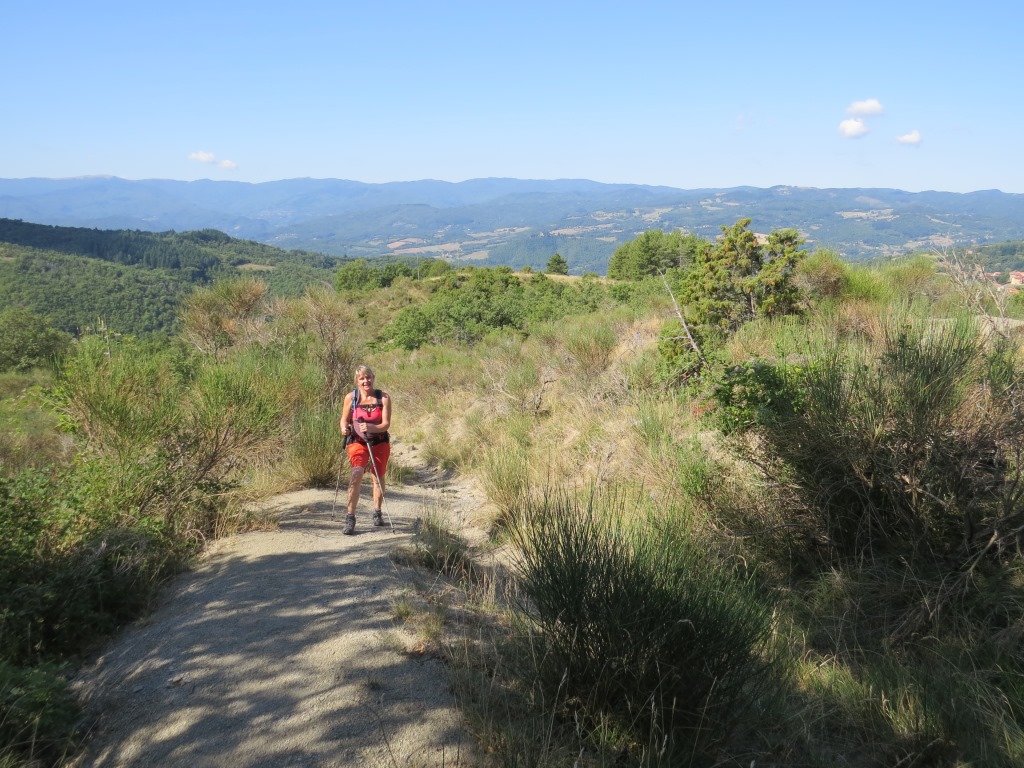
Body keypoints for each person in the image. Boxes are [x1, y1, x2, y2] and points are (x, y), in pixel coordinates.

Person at [339, 365, 392, 535]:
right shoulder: (351, 398)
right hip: (358, 442)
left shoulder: (383, 398)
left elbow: (386, 424)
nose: (365, 381)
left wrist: (370, 427)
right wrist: (344, 428)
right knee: (356, 474)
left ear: (373, 378)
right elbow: (344, 419)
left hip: (379, 442)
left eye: (368, 377)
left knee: (378, 476)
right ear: (357, 380)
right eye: (362, 378)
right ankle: (350, 517)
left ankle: (377, 511)